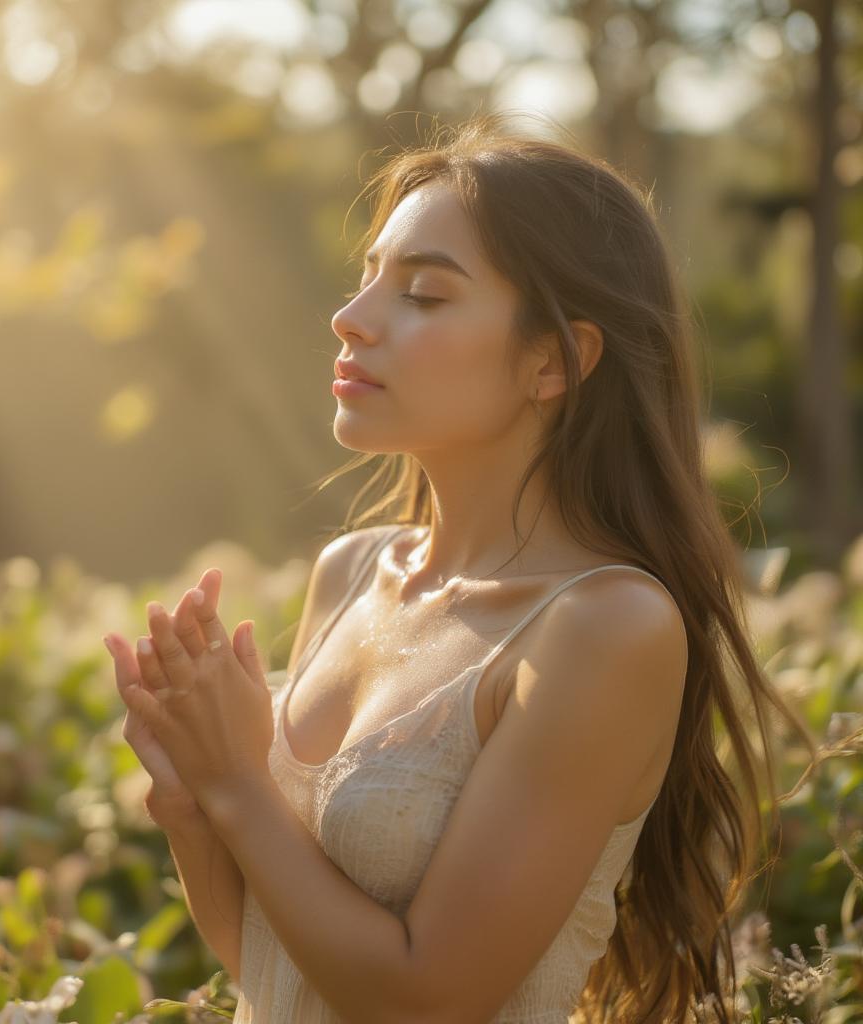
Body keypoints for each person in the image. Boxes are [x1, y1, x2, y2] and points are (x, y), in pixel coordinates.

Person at [104, 112, 814, 1023]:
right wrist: (194, 802)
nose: (350, 320)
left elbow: (425, 998)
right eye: (367, 282)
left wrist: (241, 784)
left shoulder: (603, 626)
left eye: (424, 296)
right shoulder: (351, 573)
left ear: (555, 361)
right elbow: (275, 967)